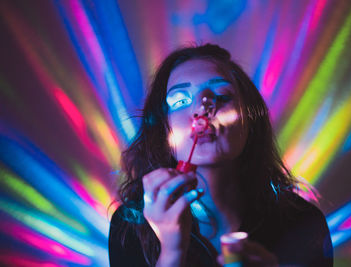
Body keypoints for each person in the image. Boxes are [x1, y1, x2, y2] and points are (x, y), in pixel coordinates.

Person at [108, 44, 333, 266]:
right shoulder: (129, 227)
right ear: (162, 127)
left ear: (249, 119)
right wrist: (172, 252)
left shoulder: (302, 222)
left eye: (222, 96)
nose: (202, 108)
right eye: (180, 101)